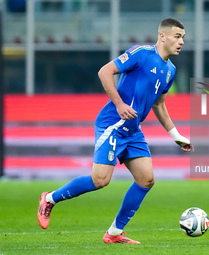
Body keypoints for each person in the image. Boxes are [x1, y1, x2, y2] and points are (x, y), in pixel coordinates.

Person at [37, 18, 193, 244]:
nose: (182, 42)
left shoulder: (170, 70)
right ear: (162, 36)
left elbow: (159, 104)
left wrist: (176, 135)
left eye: (183, 37)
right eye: (178, 36)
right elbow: (104, 72)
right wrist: (120, 104)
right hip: (112, 124)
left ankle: (113, 233)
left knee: (146, 179)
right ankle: (49, 198)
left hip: (132, 130)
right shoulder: (141, 53)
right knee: (100, 180)